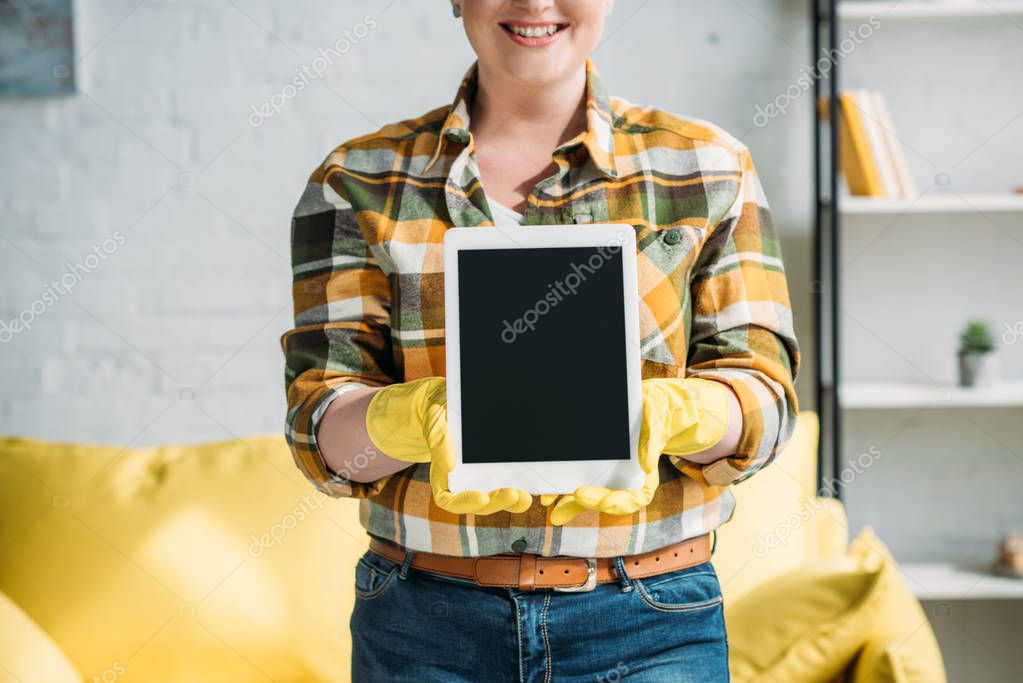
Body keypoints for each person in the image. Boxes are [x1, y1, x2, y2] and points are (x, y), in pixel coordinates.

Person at [280, 1, 800, 680]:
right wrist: (406, 420)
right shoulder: (356, 182)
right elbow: (319, 437)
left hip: (651, 623)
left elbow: (764, 403)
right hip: (422, 627)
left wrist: (675, 414)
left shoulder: (707, 166)